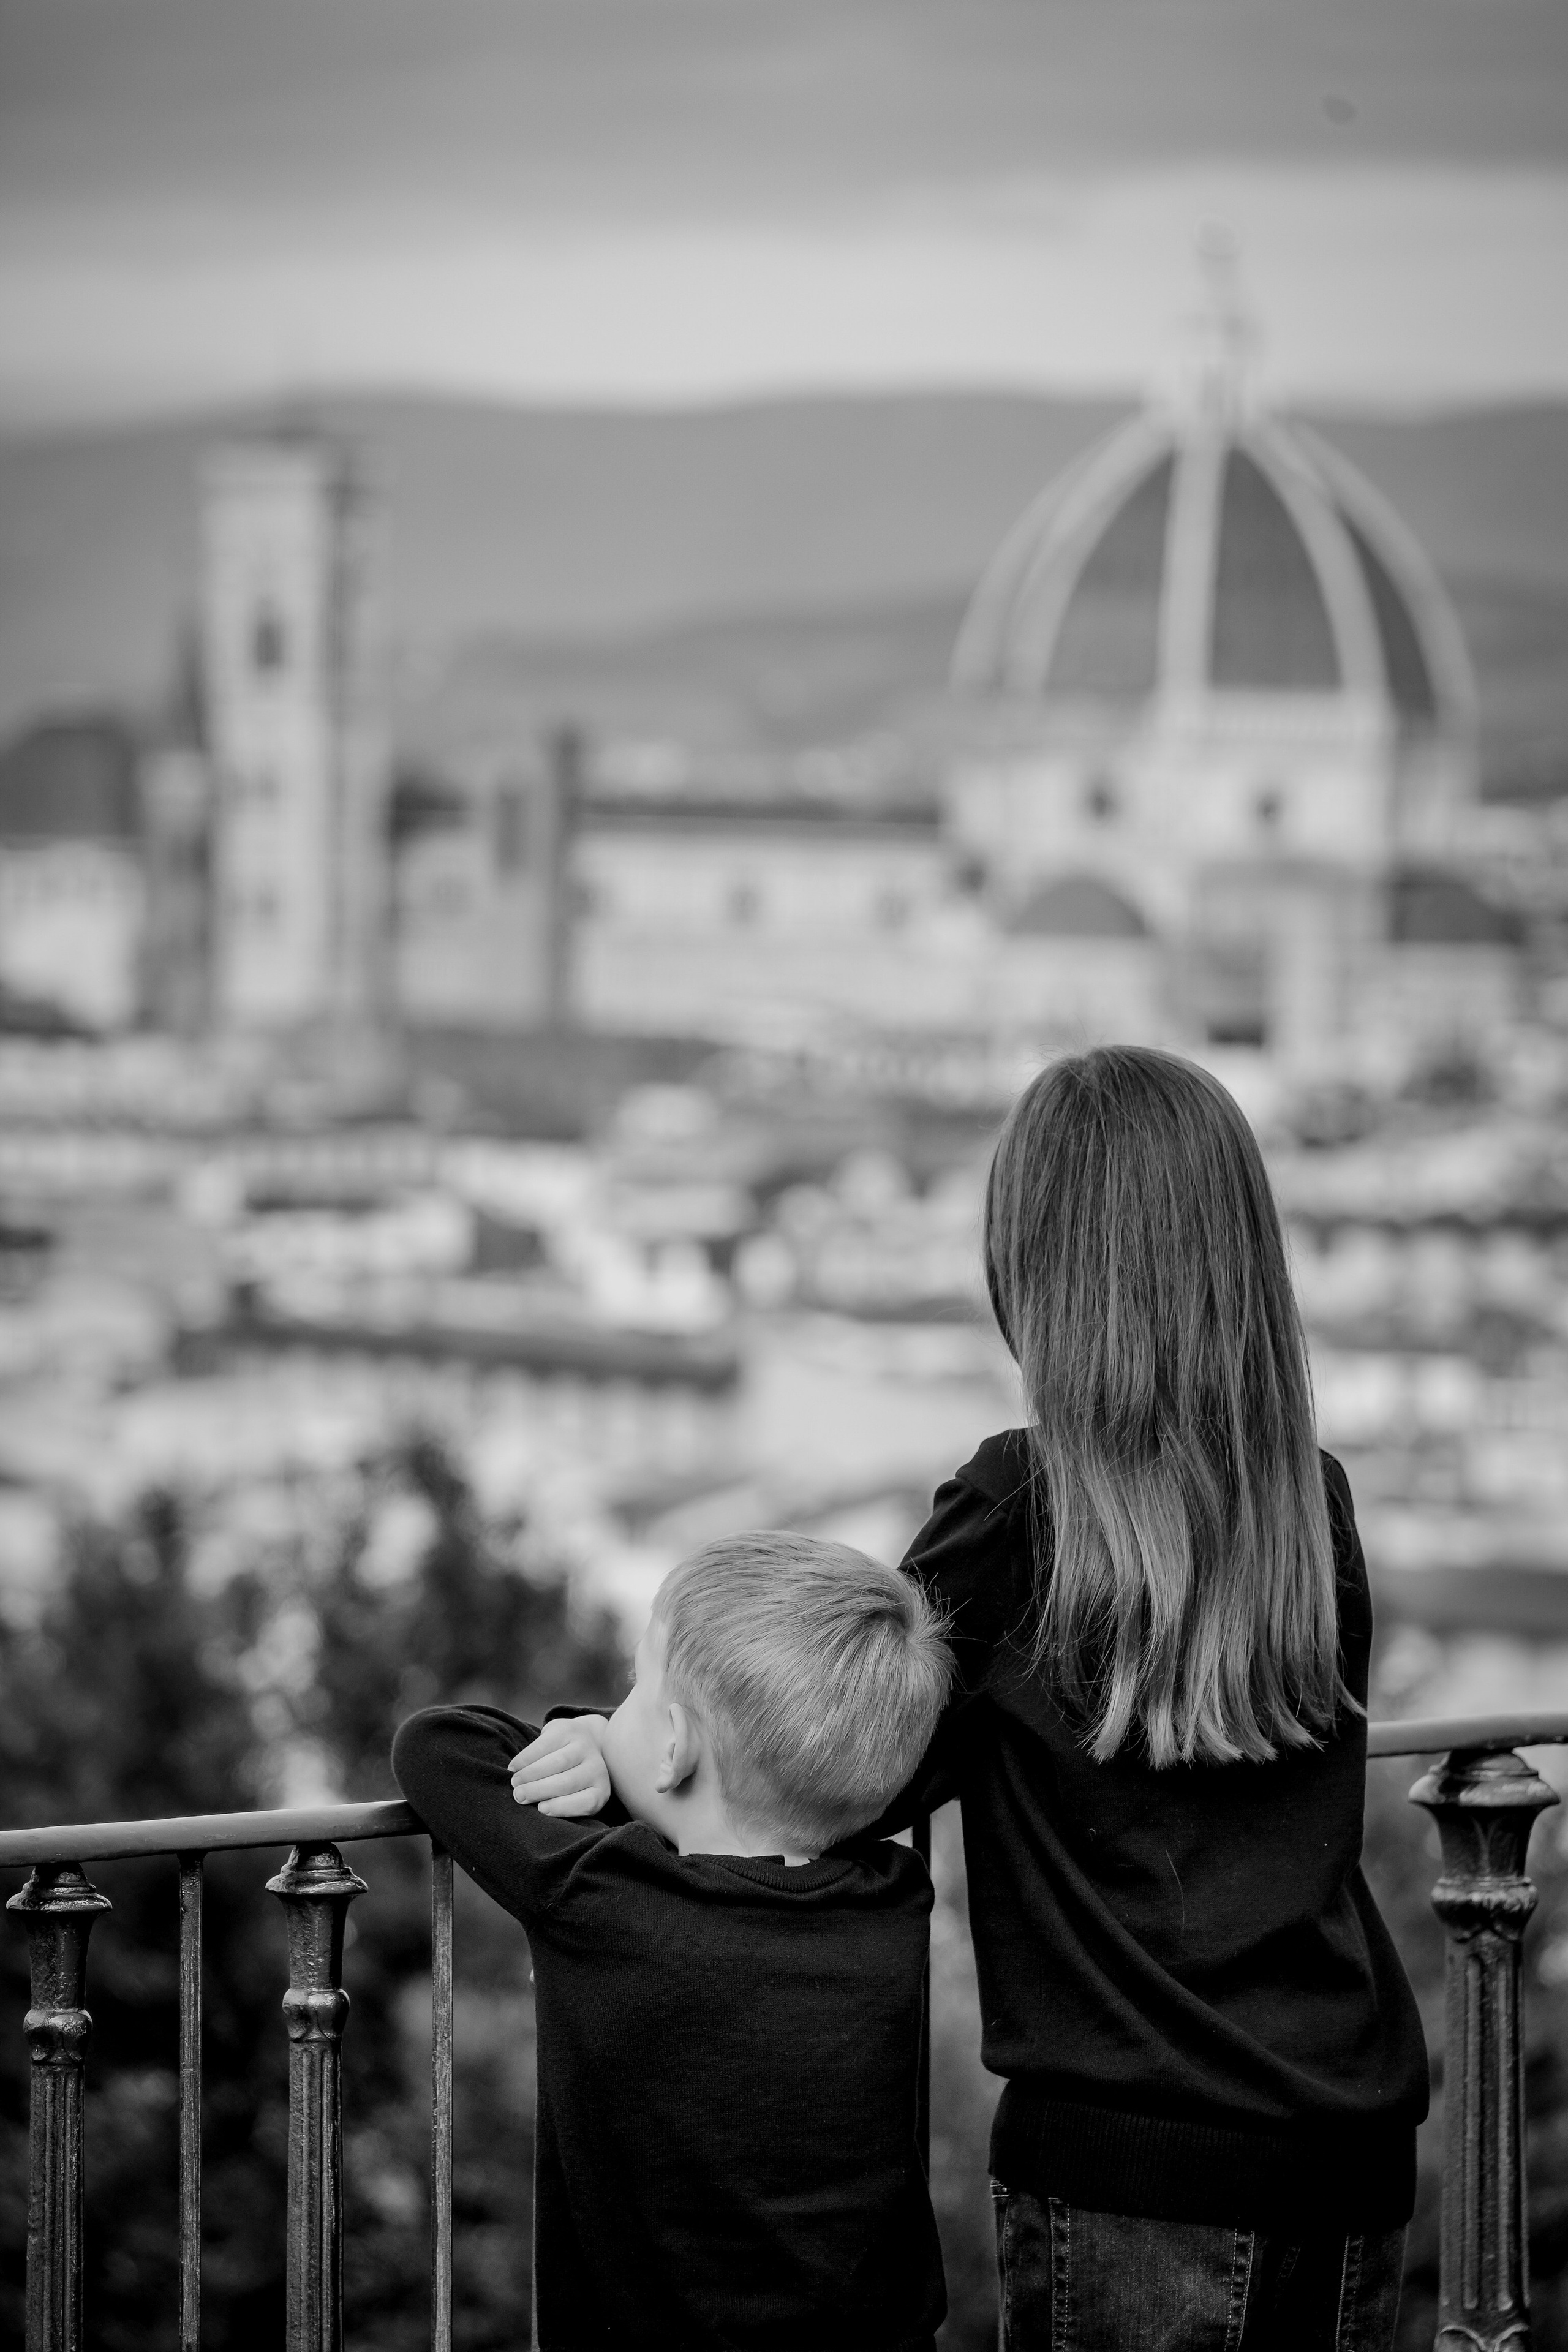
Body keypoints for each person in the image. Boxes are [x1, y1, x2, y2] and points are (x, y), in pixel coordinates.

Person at [881, 1046, 1429, 2351]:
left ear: (1036, 1270)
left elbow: (846, 1753)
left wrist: (618, 1748)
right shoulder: (1312, 1500)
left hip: (1133, 2165)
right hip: (1346, 2140)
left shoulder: (1014, 1512)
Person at [392, 1528, 954, 2352]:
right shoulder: (891, 1900)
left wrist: (582, 1742)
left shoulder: (605, 1901)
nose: (613, 1710)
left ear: (676, 1746)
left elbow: (436, 1745)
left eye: (631, 1689)